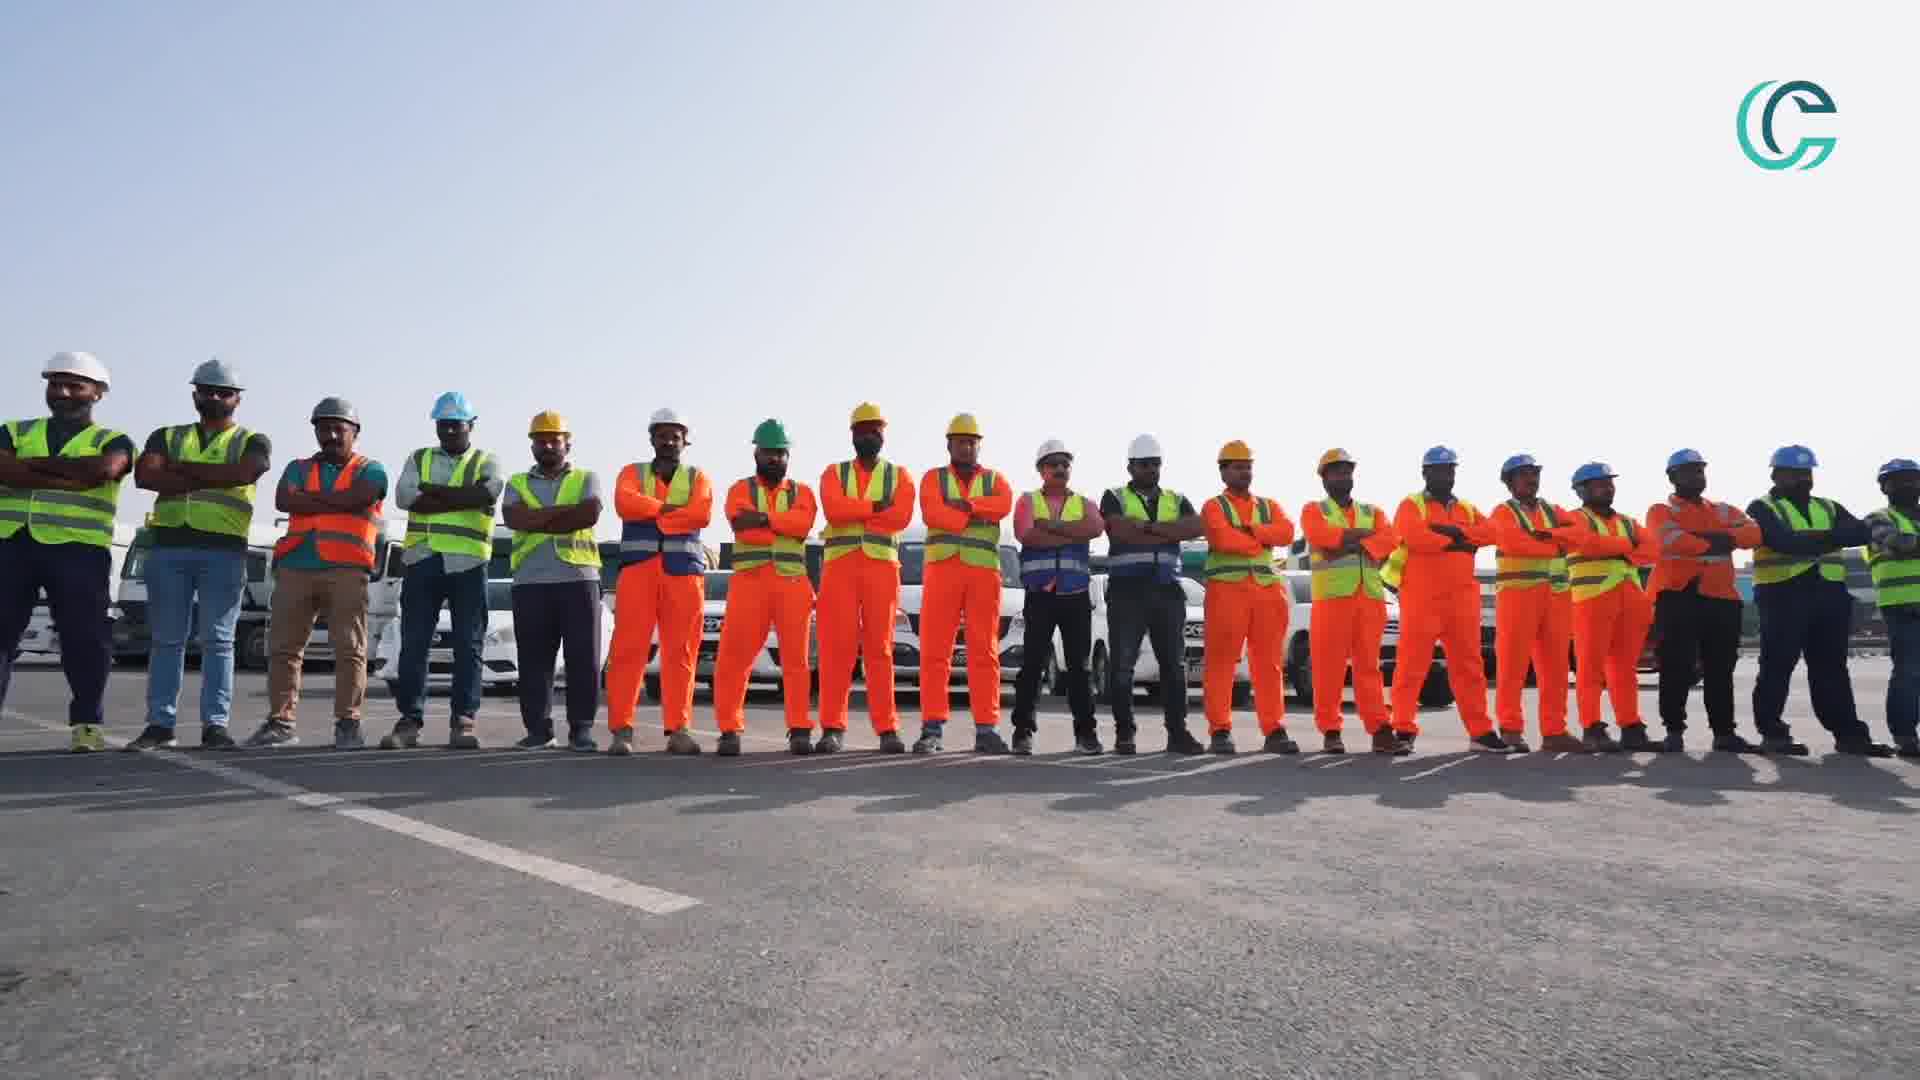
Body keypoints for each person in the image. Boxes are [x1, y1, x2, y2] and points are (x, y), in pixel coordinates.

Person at [126, 358, 270, 751]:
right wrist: (214, 474)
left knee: (219, 641)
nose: (215, 397)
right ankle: (160, 725)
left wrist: (177, 471)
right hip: (168, 548)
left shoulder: (252, 441)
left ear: (237, 399)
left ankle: (215, 726)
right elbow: (146, 476)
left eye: (224, 392)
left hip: (223, 551)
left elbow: (244, 473)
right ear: (195, 394)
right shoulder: (165, 435)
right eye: (207, 391)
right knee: (166, 640)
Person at [0, 352, 135, 753]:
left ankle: (87, 724)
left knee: (85, 640)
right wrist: (71, 473)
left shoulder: (114, 441)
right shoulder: (12, 430)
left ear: (98, 393)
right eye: (55, 384)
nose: (62, 392)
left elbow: (101, 472)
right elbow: (4, 471)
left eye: (75, 385)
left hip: (79, 549)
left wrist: (29, 468)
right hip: (11, 543)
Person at [247, 398, 387, 749]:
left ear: (355, 432)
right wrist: (337, 500)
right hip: (296, 566)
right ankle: (281, 722)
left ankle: (348, 722)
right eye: (324, 428)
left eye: (339, 428)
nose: (331, 435)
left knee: (350, 649)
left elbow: (359, 499)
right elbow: (284, 500)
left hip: (347, 568)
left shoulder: (371, 469)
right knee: (283, 648)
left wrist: (311, 500)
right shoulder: (297, 467)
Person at [1747, 446, 1891, 756]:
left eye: (1807, 473)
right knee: (1777, 665)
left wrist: (1812, 540)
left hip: (1830, 594)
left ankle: (1849, 734)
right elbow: (1783, 542)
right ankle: (1773, 734)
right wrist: (1833, 537)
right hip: (1783, 594)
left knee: (1832, 668)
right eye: (1795, 474)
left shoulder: (1828, 506)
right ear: (1776, 475)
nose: (1803, 479)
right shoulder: (1761, 508)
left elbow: (1860, 533)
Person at [383, 391, 502, 751]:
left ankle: (463, 720)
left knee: (469, 644)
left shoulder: (487, 460)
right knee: (414, 644)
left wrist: (432, 492)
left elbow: (486, 494)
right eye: (443, 424)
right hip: (422, 560)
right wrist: (462, 495)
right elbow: (405, 498)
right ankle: (409, 721)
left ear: (471, 425)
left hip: (469, 563)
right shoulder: (418, 458)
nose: (449, 430)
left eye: (456, 424)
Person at [1385, 447, 1511, 752]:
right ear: (1425, 473)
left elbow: (1493, 532)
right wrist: (1462, 540)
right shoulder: (1411, 505)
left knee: (1470, 668)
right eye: (1440, 469)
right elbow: (1416, 538)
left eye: (1450, 469)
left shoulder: (1466, 507)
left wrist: (1453, 532)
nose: (1446, 475)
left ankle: (1480, 732)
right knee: (1411, 666)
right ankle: (1403, 729)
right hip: (1422, 598)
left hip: (1462, 599)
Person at [606, 408, 711, 756]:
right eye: (662, 435)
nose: (668, 442)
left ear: (685, 441)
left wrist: (650, 511)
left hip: (684, 574)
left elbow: (702, 514)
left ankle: (679, 729)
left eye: (674, 436)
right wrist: (671, 512)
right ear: (652, 439)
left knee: (682, 653)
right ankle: (621, 729)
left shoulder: (698, 477)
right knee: (628, 650)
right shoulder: (631, 472)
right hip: (639, 571)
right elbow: (625, 503)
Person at [1645, 449, 1763, 752]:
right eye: (1688, 471)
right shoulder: (1661, 511)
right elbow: (1672, 541)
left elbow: (1754, 534)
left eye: (1699, 470)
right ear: (1672, 477)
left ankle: (1724, 733)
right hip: (1677, 596)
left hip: (1722, 598)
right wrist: (1723, 540)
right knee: (1676, 666)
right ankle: (1674, 731)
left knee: (1720, 669)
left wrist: (1704, 538)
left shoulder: (1722, 510)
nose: (1696, 476)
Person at [815, 402, 916, 754]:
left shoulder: (899, 475)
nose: (869, 435)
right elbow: (834, 510)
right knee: (836, 649)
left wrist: (855, 511)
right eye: (863, 430)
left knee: (880, 649)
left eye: (875, 429)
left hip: (881, 569)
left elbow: (901, 516)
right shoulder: (833, 473)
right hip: (840, 568)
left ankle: (887, 729)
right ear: (852, 435)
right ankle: (832, 727)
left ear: (883, 434)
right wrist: (875, 508)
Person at [713, 419, 818, 756]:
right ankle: (729, 730)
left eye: (780, 453)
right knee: (735, 658)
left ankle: (799, 728)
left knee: (796, 660)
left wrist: (763, 519)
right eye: (769, 452)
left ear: (788, 456)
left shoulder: (803, 493)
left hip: (792, 583)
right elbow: (741, 526)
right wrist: (780, 524)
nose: (774, 458)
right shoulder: (739, 490)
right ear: (756, 453)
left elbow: (802, 525)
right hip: (750, 583)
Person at [501, 411, 604, 752]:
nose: (547, 446)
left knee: (583, 659)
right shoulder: (517, 482)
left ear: (567, 444)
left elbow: (588, 514)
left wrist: (537, 519)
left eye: (554, 440)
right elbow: (514, 518)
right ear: (532, 445)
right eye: (540, 440)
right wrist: (564, 515)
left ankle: (581, 730)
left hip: (579, 579)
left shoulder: (587, 478)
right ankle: (538, 730)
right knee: (534, 661)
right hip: (530, 582)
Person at [913, 413, 1014, 754]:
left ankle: (987, 728)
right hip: (943, 570)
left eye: (971, 442)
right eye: (960, 442)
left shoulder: (995, 480)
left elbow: (1003, 506)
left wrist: (967, 505)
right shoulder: (933, 479)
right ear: (949, 445)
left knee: (984, 651)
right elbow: (933, 513)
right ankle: (932, 729)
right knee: (935, 651)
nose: (966, 447)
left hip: (983, 574)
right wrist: (976, 515)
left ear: (978, 445)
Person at [1100, 434, 1206, 755]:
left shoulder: (1177, 498)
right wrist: (1167, 531)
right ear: (1130, 467)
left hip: (1167, 591)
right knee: (1122, 666)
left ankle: (1178, 733)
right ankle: (1125, 734)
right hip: (1127, 591)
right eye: (1144, 464)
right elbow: (1120, 532)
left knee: (1174, 665)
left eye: (1156, 464)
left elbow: (1195, 529)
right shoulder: (1113, 496)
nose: (1151, 469)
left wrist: (1144, 528)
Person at [1298, 448, 1404, 754]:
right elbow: (1321, 538)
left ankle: (1380, 729)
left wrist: (1344, 541)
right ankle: (1331, 731)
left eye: (1347, 471)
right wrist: (1364, 538)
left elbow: (1391, 539)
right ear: (1324, 478)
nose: (1343, 477)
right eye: (1336, 472)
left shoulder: (1373, 511)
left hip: (1370, 598)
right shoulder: (1313, 510)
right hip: (1332, 598)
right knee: (1328, 668)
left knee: (1369, 667)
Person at [1199, 440, 1296, 755]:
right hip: (1227, 592)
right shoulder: (1214, 506)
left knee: (1269, 664)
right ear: (1223, 471)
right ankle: (1220, 730)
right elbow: (1222, 538)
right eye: (1238, 467)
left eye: (1248, 467)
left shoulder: (1269, 506)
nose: (1245, 472)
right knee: (1221, 662)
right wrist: (1261, 538)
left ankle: (1274, 729)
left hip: (1268, 592)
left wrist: (1250, 530)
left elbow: (1286, 533)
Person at [1010, 439, 1104, 755]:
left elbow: (1095, 528)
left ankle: (1086, 733)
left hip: (1075, 594)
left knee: (1080, 668)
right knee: (1032, 664)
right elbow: (1027, 534)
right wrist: (1070, 532)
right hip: (1041, 594)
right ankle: (1022, 731)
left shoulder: (1085, 503)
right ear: (1041, 470)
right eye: (1053, 464)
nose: (1060, 469)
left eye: (1065, 464)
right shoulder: (1026, 501)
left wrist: (1050, 526)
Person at [1487, 454, 1581, 753]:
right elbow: (1515, 543)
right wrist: (1557, 542)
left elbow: (1579, 535)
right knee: (1512, 666)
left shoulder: (1553, 510)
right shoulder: (1503, 512)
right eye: (1523, 474)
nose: (1531, 479)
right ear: (1509, 482)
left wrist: (1546, 535)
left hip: (1556, 598)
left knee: (1556, 668)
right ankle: (1510, 730)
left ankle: (1554, 731)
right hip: (1518, 596)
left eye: (1534, 473)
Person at [1864, 458, 1920, 758]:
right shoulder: (1878, 519)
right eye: (1899, 481)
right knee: (1909, 671)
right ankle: (1905, 735)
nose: (1908, 485)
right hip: (1903, 604)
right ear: (1885, 487)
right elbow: (1901, 544)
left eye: (1913, 479)